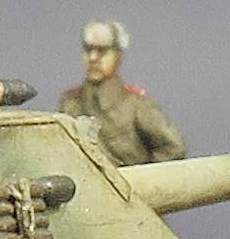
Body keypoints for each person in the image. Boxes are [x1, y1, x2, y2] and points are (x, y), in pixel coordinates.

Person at [60, 19, 185, 164]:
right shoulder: (70, 104)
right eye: (88, 50)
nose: (93, 58)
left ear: (117, 56)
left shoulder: (136, 104)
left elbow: (174, 148)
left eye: (102, 51)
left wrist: (142, 175)